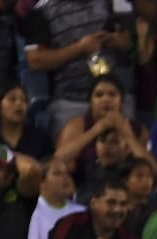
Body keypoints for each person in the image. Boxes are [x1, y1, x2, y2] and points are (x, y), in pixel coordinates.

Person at [23, 0, 134, 137]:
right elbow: (35, 61)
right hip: (71, 102)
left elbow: (128, 42)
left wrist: (119, 42)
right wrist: (80, 48)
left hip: (113, 98)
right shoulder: (43, 10)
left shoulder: (109, 3)